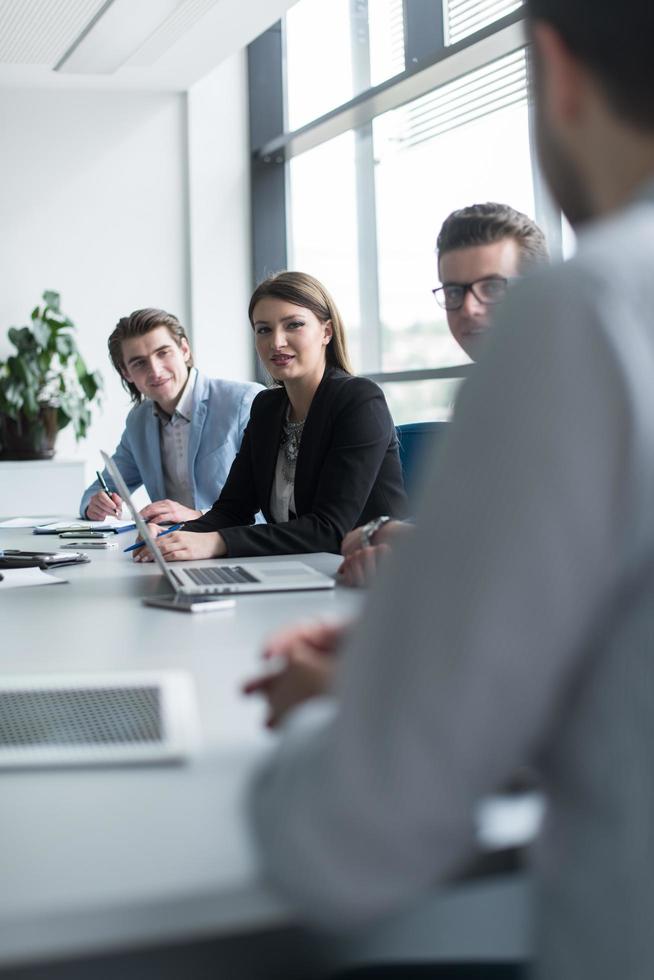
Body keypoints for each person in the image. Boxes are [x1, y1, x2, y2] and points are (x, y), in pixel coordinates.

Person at [247, 3, 654, 979]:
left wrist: (397, 688)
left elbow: (357, 830)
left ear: (554, 69)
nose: (473, 311)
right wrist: (437, 646)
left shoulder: (593, 308)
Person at [340, 202, 548, 587]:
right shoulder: (483, 395)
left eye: (492, 288)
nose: (469, 308)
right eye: (455, 291)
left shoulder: (573, 386)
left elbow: (528, 545)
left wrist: (386, 534)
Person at [135, 272, 406, 562]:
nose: (276, 342)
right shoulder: (267, 406)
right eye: (263, 330)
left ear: (326, 332)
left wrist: (217, 543)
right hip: (295, 568)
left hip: (365, 575)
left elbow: (330, 530)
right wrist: (174, 536)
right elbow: (232, 510)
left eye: (294, 325)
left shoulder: (359, 400)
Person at [80, 308, 262, 523]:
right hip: (171, 548)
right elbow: (101, 489)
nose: (155, 371)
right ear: (126, 373)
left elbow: (274, 506)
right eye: (139, 363)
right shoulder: (139, 421)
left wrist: (199, 517)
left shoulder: (245, 401)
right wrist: (95, 505)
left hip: (234, 546)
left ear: (184, 349)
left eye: (163, 353)